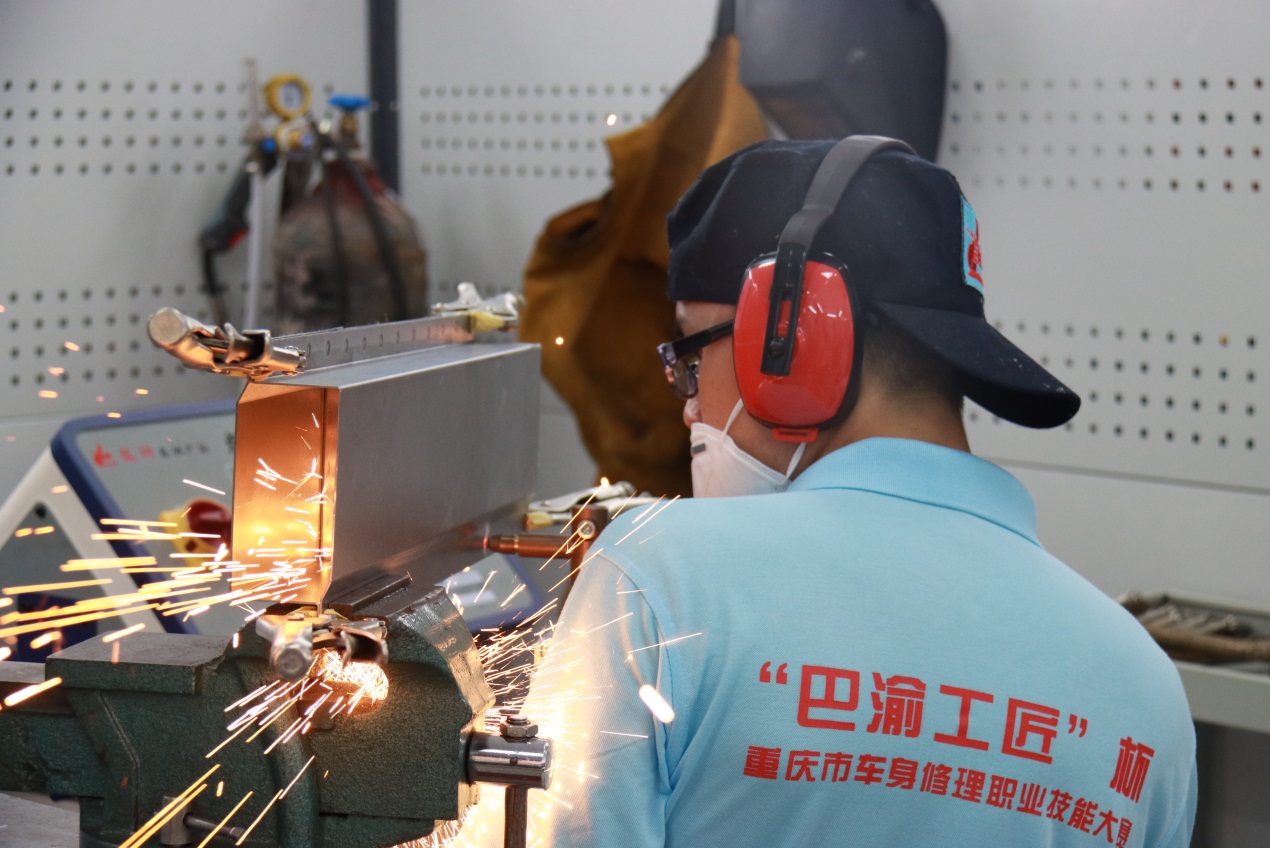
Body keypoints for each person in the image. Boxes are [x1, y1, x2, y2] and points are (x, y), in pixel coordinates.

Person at [517, 138, 1196, 848]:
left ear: (790, 343)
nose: (689, 408)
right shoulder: (1145, 686)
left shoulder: (659, 583)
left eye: (690, 353)